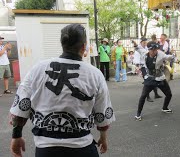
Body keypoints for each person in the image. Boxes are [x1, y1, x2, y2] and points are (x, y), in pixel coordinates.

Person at [9, 24, 115, 157]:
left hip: (46, 150)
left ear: (62, 44)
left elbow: (21, 106)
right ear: (84, 46)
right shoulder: (95, 74)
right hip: (82, 148)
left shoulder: (38, 69)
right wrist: (103, 137)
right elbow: (102, 114)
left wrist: (16, 136)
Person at [135, 41, 175, 121]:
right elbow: (138, 49)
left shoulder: (161, 54)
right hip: (150, 78)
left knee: (169, 94)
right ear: (149, 49)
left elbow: (168, 57)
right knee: (143, 96)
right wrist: (135, 44)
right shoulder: (144, 53)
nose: (154, 51)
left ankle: (165, 107)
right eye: (152, 50)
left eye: (156, 49)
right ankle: (138, 114)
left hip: (160, 78)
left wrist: (173, 56)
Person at [133, 38, 162, 102]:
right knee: (148, 82)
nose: (145, 43)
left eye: (146, 42)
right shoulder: (139, 49)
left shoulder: (147, 48)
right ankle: (147, 96)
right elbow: (136, 57)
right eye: (144, 42)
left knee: (154, 80)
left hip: (150, 66)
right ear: (141, 42)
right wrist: (137, 66)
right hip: (143, 67)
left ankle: (156, 94)